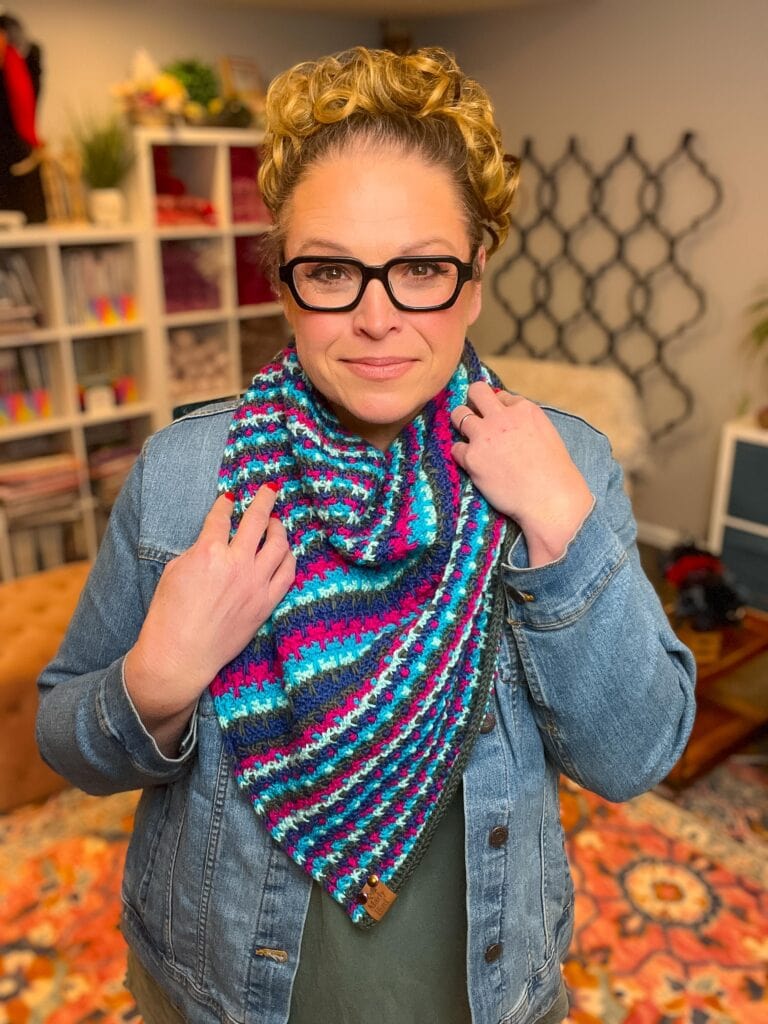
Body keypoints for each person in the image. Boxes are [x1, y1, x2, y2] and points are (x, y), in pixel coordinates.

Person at [37, 46, 696, 1024]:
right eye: (333, 270)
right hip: (221, 992)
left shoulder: (564, 467)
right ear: (284, 286)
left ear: (473, 280)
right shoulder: (185, 478)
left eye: (422, 268)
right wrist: (158, 681)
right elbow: (67, 736)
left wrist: (560, 524)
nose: (378, 318)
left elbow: (631, 754)